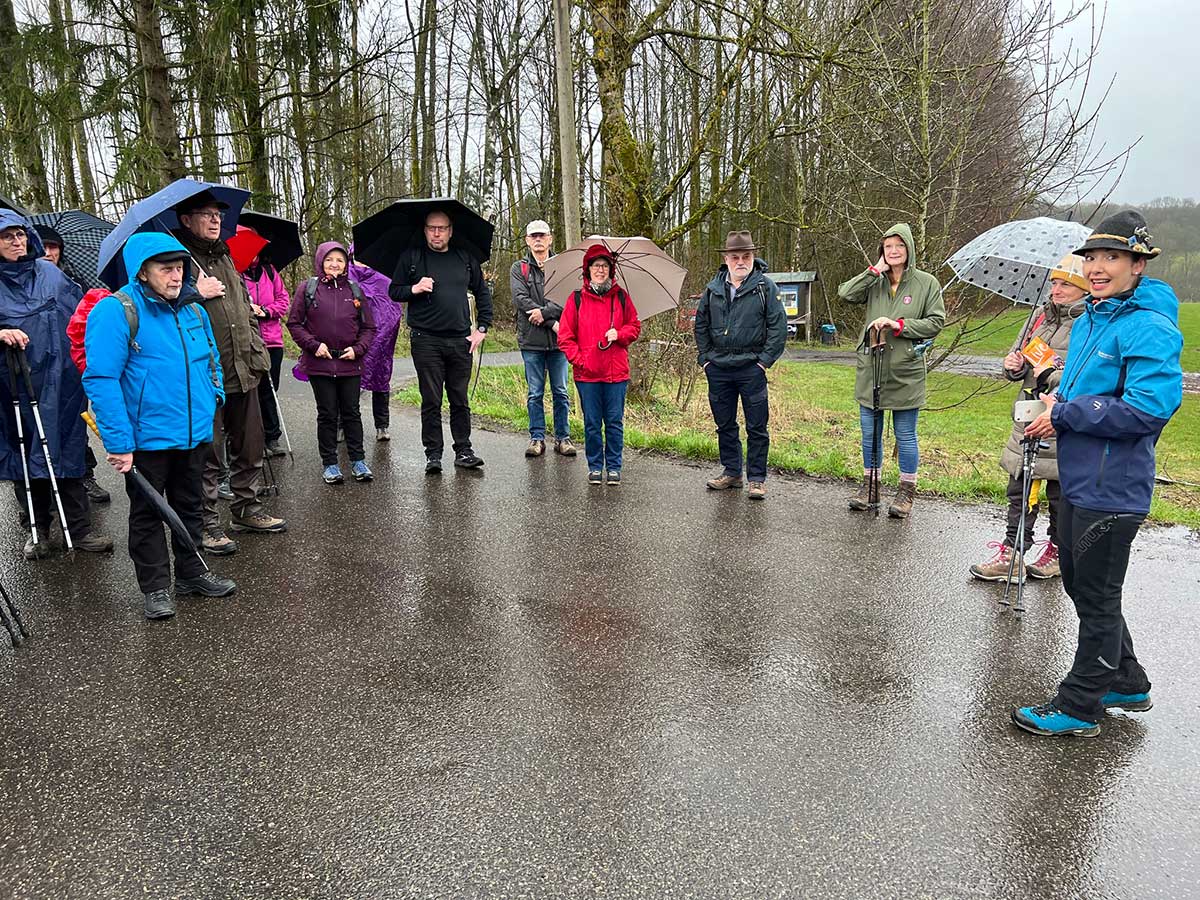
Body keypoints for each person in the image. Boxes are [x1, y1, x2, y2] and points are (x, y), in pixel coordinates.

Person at [1013, 211, 1183, 738]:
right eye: (1091, 258)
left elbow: (1149, 409)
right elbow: (1087, 388)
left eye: (1111, 257)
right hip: (1079, 475)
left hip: (1115, 487)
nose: (1098, 267)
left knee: (1097, 594)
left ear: (1137, 263)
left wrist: (1065, 413)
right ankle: (1126, 680)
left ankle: (1080, 704)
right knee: (1083, 587)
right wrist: (1053, 391)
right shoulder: (1092, 318)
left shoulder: (1149, 326)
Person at [83, 233, 235, 620]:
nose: (175, 276)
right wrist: (118, 443)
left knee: (191, 505)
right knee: (149, 514)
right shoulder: (117, 310)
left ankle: (191, 574)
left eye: (180, 268)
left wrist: (214, 395)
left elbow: (211, 359)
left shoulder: (193, 309)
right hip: (145, 438)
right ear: (142, 272)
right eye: (165, 269)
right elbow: (100, 379)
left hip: (194, 432)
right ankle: (154, 588)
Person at [172, 190, 286, 553]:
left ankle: (246, 508)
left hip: (245, 367)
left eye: (218, 213)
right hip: (205, 373)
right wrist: (193, 292)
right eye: (205, 213)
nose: (215, 219)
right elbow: (158, 308)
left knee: (250, 445)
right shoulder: (176, 260)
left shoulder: (225, 258)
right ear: (186, 220)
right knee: (208, 454)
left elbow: (243, 313)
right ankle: (206, 523)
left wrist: (257, 353)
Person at [0, 210, 111, 558]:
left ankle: (78, 529)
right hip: (15, 387)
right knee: (24, 453)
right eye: (7, 237)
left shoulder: (51, 273)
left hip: (62, 381)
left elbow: (79, 316)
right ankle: (38, 529)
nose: (17, 241)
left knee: (67, 449)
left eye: (20, 234)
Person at [970, 254, 1086, 582]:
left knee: (1060, 493)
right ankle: (1012, 552)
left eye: (1065, 284)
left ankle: (1058, 552)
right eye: (1054, 282)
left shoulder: (1089, 323)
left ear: (1083, 288)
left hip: (1063, 417)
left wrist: (1049, 371)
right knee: (1019, 485)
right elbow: (1020, 357)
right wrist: (1013, 366)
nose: (1057, 289)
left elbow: (1086, 377)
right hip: (1028, 414)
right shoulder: (1038, 317)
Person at [838, 223, 945, 518]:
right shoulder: (875, 282)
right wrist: (874, 270)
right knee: (869, 433)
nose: (894, 251)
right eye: (888, 246)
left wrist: (898, 325)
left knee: (905, 435)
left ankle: (906, 491)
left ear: (909, 249)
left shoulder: (926, 283)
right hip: (871, 368)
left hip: (905, 370)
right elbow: (845, 294)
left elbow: (936, 322)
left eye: (899, 245)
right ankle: (870, 486)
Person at [388, 209, 493, 474]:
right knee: (431, 399)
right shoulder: (412, 257)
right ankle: (433, 454)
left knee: (459, 398)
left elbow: (482, 293)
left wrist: (481, 328)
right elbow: (393, 291)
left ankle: (464, 450)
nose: (437, 233)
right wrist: (414, 288)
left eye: (442, 228)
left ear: (450, 230)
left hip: (461, 340)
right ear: (424, 230)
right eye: (432, 227)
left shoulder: (465, 258)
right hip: (426, 340)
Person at [694, 230, 787, 500]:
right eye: (735, 256)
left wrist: (763, 362)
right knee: (725, 424)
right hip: (719, 368)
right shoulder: (712, 290)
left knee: (757, 425)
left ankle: (756, 478)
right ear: (726, 259)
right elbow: (700, 325)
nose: (740, 261)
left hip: (751, 367)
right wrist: (706, 359)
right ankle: (732, 471)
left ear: (753, 257)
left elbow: (778, 328)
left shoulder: (765, 288)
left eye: (746, 256)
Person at [287, 241, 377, 484]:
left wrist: (358, 350)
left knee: (352, 412)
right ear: (320, 262)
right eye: (329, 260)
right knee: (327, 414)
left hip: (350, 363)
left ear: (346, 264)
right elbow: (294, 324)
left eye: (339, 260)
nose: (334, 264)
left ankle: (358, 461)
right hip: (320, 363)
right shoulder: (308, 288)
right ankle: (330, 463)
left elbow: (369, 327)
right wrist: (314, 346)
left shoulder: (355, 290)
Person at [35, 223, 111, 504]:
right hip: (37, 368)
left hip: (71, 365)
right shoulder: (21, 286)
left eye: (53, 246)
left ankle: (83, 476)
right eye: (41, 246)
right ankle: (43, 494)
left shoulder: (76, 281)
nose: (47, 252)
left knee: (75, 426)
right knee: (40, 431)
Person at [557, 244, 641, 485]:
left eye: (605, 266)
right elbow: (565, 337)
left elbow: (635, 327)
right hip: (587, 375)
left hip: (616, 373)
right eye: (596, 266)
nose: (600, 270)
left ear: (610, 269)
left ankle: (614, 467)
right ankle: (595, 466)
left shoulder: (622, 297)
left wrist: (621, 334)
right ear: (588, 270)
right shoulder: (576, 300)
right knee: (592, 423)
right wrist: (581, 361)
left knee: (614, 422)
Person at [512, 219, 575, 459]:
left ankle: (563, 438)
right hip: (531, 341)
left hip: (560, 343)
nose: (538, 240)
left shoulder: (563, 267)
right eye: (533, 236)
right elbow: (521, 300)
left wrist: (544, 313)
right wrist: (551, 320)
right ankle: (537, 438)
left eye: (542, 236)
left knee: (560, 391)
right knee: (535, 393)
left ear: (550, 239)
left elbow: (567, 299)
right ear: (528, 241)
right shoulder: (520, 268)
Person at [243, 245, 291, 459]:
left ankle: (273, 436)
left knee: (270, 390)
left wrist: (266, 311)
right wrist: (248, 310)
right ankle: (256, 439)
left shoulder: (270, 271)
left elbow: (283, 301)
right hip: (249, 342)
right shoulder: (235, 273)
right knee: (252, 392)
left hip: (272, 342)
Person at [349, 246, 402, 442]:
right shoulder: (343, 275)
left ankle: (382, 425)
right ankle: (343, 424)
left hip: (379, 342)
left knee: (380, 380)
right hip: (349, 341)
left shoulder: (384, 278)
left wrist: (378, 339)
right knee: (347, 384)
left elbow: (392, 311)